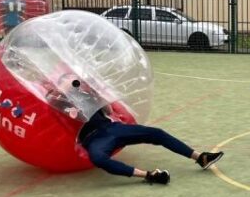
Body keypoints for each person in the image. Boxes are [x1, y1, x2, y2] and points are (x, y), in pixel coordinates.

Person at [46, 73, 223, 184]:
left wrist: (95, 92)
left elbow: (108, 111)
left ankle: (200, 157)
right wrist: (63, 86)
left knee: (156, 133)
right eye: (69, 78)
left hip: (112, 128)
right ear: (61, 83)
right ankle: (148, 175)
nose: (74, 79)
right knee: (98, 159)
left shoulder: (86, 94)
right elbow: (51, 99)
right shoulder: (58, 99)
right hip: (93, 138)